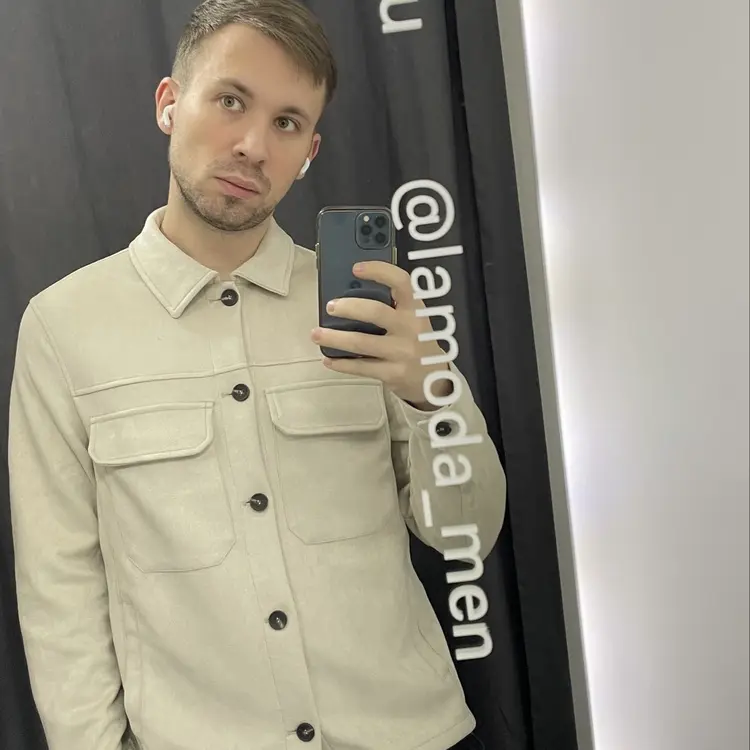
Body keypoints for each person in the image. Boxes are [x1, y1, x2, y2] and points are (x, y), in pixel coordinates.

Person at [7, 1, 506, 749]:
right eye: (231, 101)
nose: (252, 146)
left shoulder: (368, 310)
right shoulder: (64, 326)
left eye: (287, 122)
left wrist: (432, 391)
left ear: (309, 150)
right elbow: (59, 589)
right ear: (170, 104)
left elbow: (467, 531)